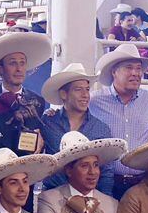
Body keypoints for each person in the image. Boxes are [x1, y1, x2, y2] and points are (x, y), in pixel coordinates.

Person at [88, 42, 148, 198]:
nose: (135, 73)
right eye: (129, 67)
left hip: (143, 183)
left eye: (138, 68)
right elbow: (74, 115)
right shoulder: (95, 100)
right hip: (107, 182)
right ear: (114, 71)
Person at [0, 32, 53, 161]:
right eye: (12, 63)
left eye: (22, 63)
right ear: (0, 69)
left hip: (25, 173)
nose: (19, 69)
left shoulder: (38, 101)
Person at [39, 63, 114, 194]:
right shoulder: (47, 122)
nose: (85, 95)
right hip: (52, 195)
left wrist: (105, 201)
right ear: (63, 94)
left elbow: (106, 171)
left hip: (89, 199)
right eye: (78, 89)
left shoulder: (101, 128)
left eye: (87, 89)